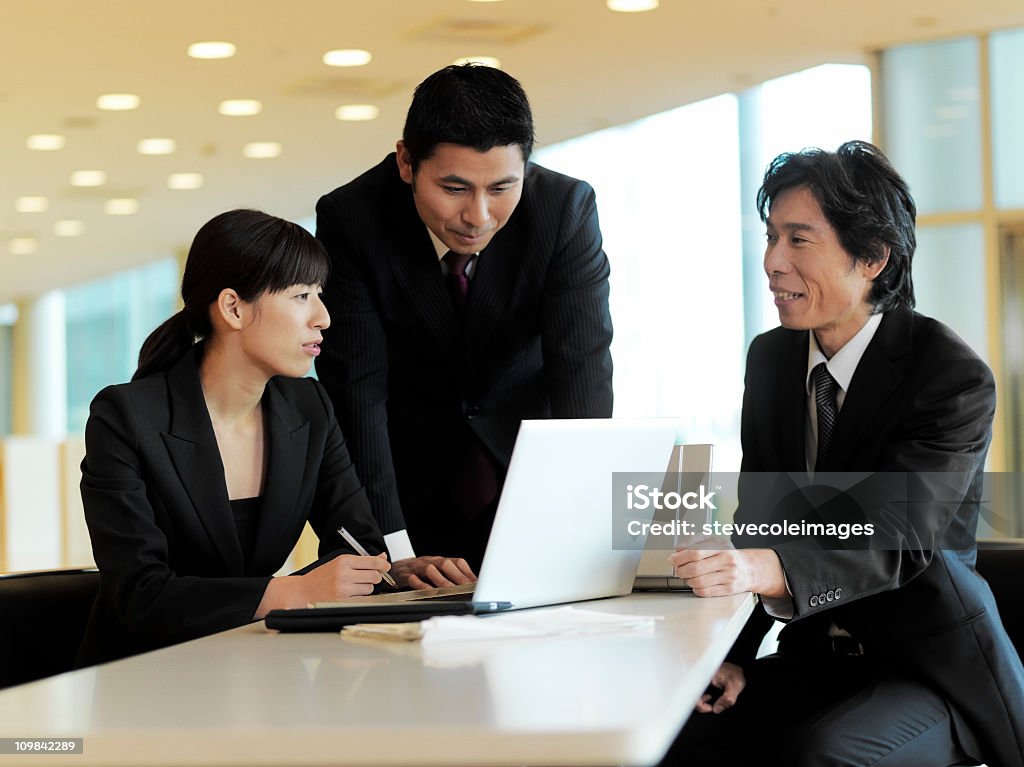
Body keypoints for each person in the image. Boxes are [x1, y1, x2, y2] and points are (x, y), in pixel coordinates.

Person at [661, 142, 1024, 766]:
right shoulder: (772, 360)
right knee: (675, 729)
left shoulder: (949, 375)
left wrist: (760, 568)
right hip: (817, 654)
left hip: (927, 670)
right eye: (771, 237)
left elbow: (898, 532)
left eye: (799, 240)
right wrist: (733, 656)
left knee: (825, 756)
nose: (773, 261)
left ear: (873, 258)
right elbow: (762, 521)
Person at [78, 209, 473, 666]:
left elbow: (357, 542)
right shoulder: (126, 417)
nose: (323, 317)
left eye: (320, 295)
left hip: (253, 662)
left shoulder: (309, 407)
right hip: (139, 677)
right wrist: (294, 591)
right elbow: (140, 594)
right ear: (233, 308)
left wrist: (393, 572)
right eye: (301, 295)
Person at [314, 64, 614, 570]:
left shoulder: (564, 210)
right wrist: (392, 554)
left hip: (526, 478)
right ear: (406, 162)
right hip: (404, 483)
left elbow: (581, 372)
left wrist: (577, 529)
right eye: (454, 189)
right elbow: (359, 392)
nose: (478, 216)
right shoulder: (353, 219)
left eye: (501, 188)